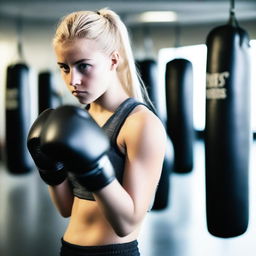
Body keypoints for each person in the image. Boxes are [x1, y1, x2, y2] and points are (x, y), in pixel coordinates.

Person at [27, 8, 166, 256]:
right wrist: (50, 168)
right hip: (68, 250)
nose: (72, 81)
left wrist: (93, 167)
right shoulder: (80, 121)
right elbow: (67, 208)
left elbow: (127, 224)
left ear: (113, 60)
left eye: (83, 66)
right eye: (64, 67)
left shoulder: (140, 124)